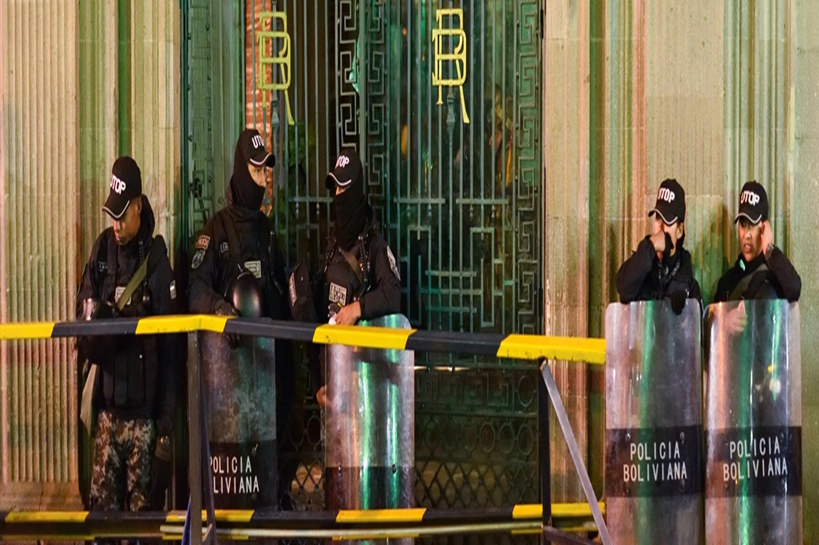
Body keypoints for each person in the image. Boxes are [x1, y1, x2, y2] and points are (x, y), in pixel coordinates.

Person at [188, 128, 295, 509]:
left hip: (267, 387)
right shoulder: (215, 232)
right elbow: (195, 288)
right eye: (256, 170)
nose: (264, 179)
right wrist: (222, 311)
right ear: (239, 169)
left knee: (269, 488)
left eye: (267, 170)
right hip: (228, 395)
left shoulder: (268, 235)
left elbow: (283, 300)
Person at [76, 156, 177, 514]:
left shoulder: (157, 259)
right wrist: (99, 325)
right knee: (101, 521)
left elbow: (171, 347)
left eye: (122, 215)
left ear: (138, 206)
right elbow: (80, 318)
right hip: (108, 415)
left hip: (144, 423)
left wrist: (166, 418)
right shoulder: (103, 251)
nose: (116, 225)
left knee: (142, 525)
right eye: (112, 216)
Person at [307, 149, 401, 406]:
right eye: (335, 189)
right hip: (332, 381)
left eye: (344, 189)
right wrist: (318, 383)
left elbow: (393, 293)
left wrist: (358, 309)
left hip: (365, 384)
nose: (339, 197)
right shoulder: (331, 246)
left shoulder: (375, 247)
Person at [615, 178, 701, 314]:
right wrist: (650, 245)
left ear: (679, 231)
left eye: (667, 221)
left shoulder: (688, 283)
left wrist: (686, 312)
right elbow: (623, 288)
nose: (660, 228)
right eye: (657, 218)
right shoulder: (641, 266)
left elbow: (696, 329)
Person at [713, 181, 801, 302]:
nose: (746, 235)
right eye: (743, 225)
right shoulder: (728, 281)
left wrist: (769, 249)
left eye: (753, 225)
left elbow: (794, 288)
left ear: (764, 228)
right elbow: (714, 319)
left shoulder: (775, 276)